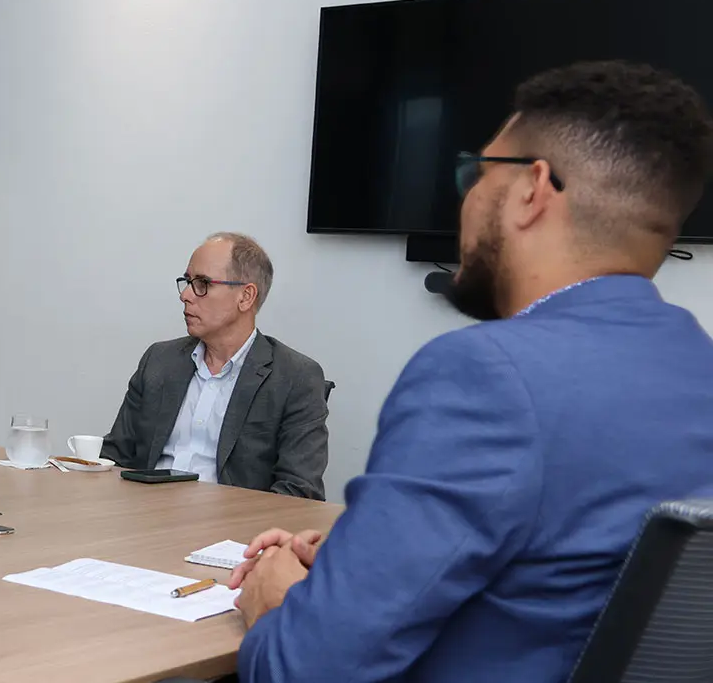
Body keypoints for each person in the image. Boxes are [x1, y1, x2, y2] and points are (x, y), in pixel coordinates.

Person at [231, 60, 713, 682]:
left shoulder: (486, 375)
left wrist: (274, 600)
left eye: (475, 175)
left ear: (532, 189)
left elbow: (304, 670)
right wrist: (361, 559)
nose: (465, 201)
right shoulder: (696, 369)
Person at [101, 232, 330, 499]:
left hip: (233, 522)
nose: (186, 295)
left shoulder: (295, 378)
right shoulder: (159, 360)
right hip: (145, 514)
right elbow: (114, 458)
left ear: (245, 297)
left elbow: (299, 491)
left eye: (202, 283)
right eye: (187, 282)